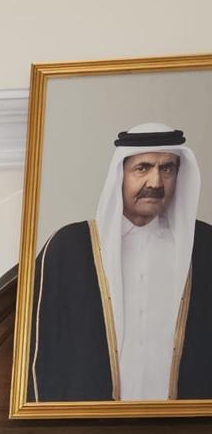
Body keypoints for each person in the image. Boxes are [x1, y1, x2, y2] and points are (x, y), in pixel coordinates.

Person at [29, 124, 212, 402]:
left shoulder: (204, 246)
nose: (155, 182)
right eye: (142, 168)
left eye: (167, 169)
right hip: (92, 424)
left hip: (186, 424)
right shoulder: (69, 247)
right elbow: (42, 352)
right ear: (120, 174)